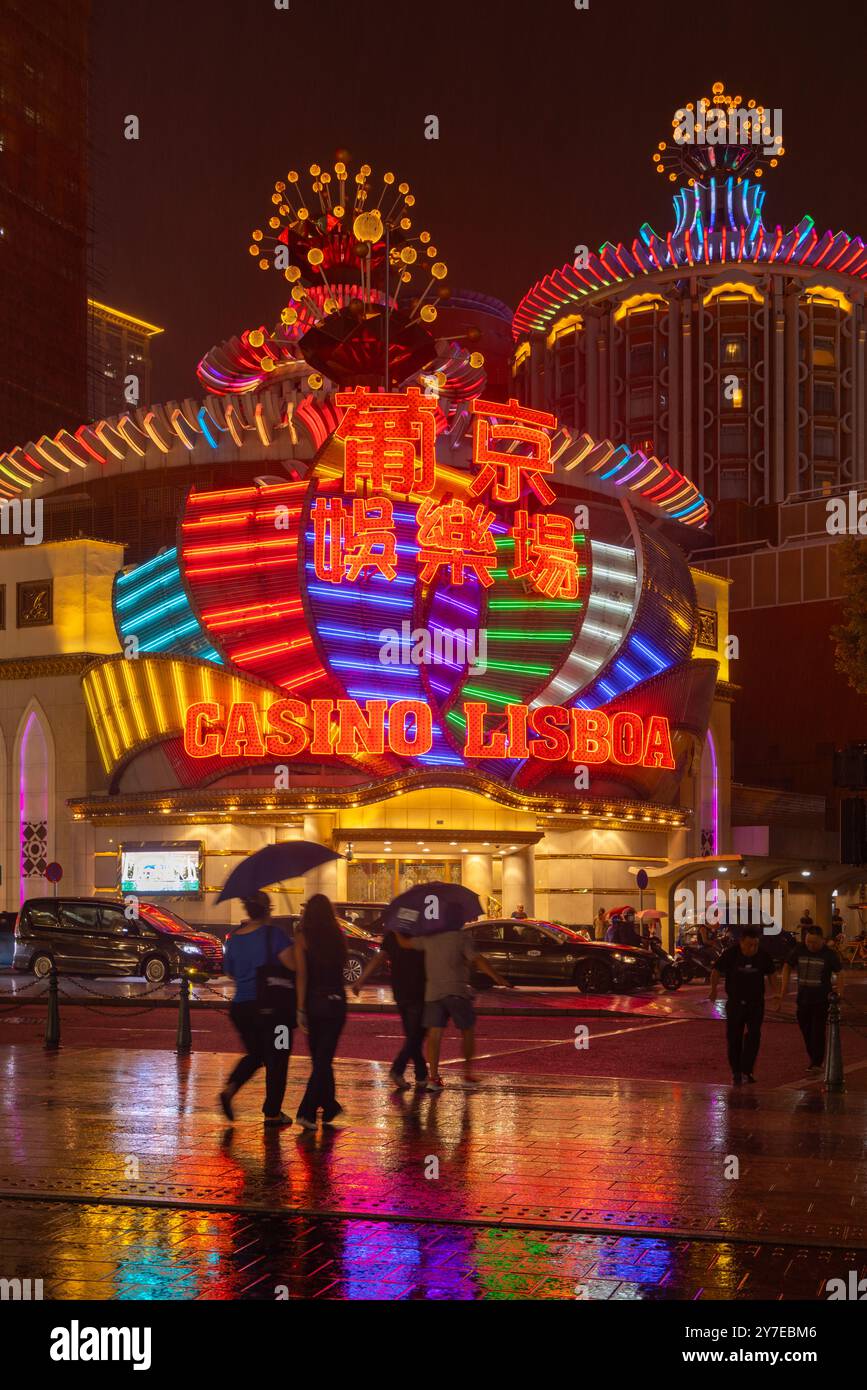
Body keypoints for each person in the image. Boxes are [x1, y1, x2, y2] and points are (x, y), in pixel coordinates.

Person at [397, 908, 512, 1091]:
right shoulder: (462, 938)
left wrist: (397, 926)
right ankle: (467, 1074)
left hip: (434, 993)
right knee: (467, 1031)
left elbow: (404, 943)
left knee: (434, 1035)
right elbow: (477, 959)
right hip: (457, 991)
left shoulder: (430, 937)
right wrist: (498, 978)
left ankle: (434, 1078)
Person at [220, 892, 296, 1128]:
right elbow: (293, 965)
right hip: (276, 1011)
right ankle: (272, 1113)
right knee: (279, 1057)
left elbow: (230, 972)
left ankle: (230, 1089)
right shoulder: (275, 935)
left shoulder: (234, 939)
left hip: (242, 1008)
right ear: (267, 910)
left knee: (256, 1054)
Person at [294, 894, 348, 1130]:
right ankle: (327, 1104)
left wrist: (300, 1008)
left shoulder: (302, 937)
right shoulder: (338, 936)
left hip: (314, 1001)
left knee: (320, 1059)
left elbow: (302, 975)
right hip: (336, 1000)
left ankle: (308, 1110)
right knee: (323, 1059)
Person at [353, 928, 428, 1089]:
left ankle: (421, 1075)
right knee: (416, 1035)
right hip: (418, 990)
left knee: (413, 1035)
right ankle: (401, 1070)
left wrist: (361, 980)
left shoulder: (393, 934)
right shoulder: (422, 932)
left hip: (400, 990)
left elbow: (380, 957)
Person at [709, 926, 775, 1085]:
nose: (753, 948)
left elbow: (772, 973)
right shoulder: (731, 954)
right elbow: (716, 970)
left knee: (754, 1035)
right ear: (741, 942)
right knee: (734, 1038)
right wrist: (713, 990)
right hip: (735, 1003)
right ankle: (736, 1071)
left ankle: (747, 1070)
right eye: (749, 945)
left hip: (755, 1003)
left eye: (755, 945)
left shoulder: (763, 955)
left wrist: (777, 994)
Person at [777, 924, 844, 1072]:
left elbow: (840, 972)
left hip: (821, 1000)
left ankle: (816, 1062)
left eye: (814, 942)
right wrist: (783, 988)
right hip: (803, 999)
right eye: (808, 941)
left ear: (822, 941)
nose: (810, 945)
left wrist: (840, 993)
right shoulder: (800, 949)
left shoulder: (829, 954)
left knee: (818, 1031)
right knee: (806, 1029)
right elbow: (788, 965)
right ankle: (814, 1057)